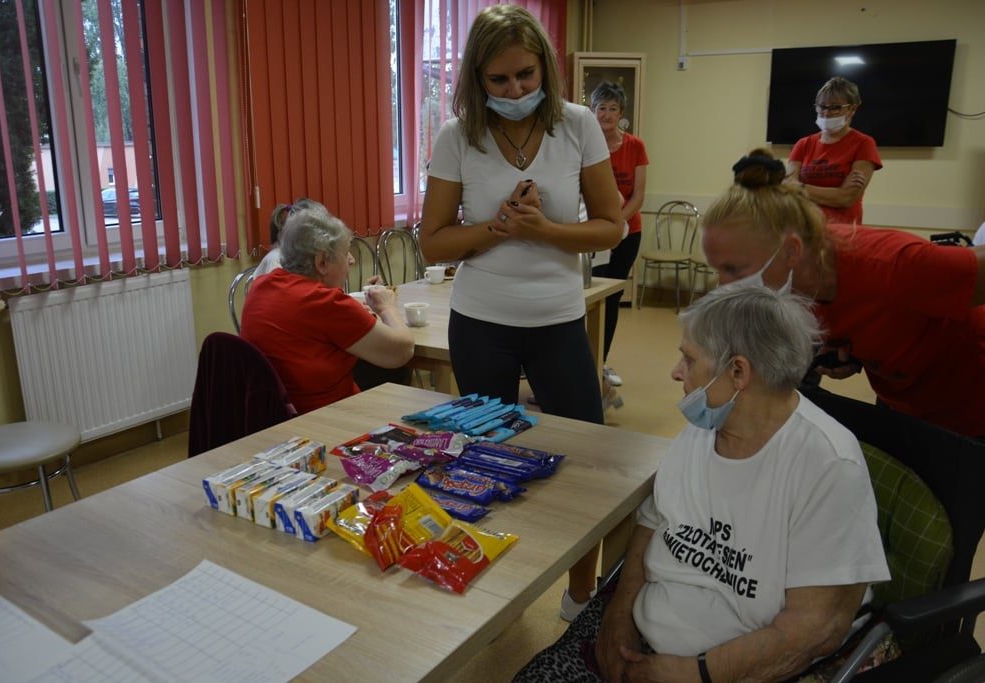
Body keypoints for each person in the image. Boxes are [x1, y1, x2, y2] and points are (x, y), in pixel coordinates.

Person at [515, 285, 890, 682]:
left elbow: (814, 630)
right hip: (647, 637)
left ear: (739, 373)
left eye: (689, 358)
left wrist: (697, 674)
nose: (676, 371)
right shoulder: (703, 429)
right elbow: (652, 522)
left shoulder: (828, 466)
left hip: (739, 669)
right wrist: (619, 615)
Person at [418, 4, 623, 620]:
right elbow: (434, 242)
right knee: (480, 461)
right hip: (481, 323)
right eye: (499, 81)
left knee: (583, 464)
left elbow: (611, 228)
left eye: (526, 76)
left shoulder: (579, 125)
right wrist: (499, 228)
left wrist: (545, 229)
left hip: (558, 321)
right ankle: (490, 596)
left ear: (546, 70)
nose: (514, 91)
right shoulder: (458, 137)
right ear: (476, 79)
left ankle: (580, 592)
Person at [702, 149, 985, 438]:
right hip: (905, 401)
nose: (724, 286)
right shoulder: (790, 289)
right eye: (718, 270)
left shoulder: (893, 264)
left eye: (734, 269)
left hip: (970, 402)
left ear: (791, 251)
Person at [240, 208, 414, 414]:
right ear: (321, 262)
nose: (351, 260)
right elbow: (402, 350)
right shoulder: (325, 302)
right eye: (345, 252)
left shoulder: (261, 285)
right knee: (395, 370)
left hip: (273, 415)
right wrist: (387, 307)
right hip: (326, 416)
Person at [589, 81, 649, 391]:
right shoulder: (586, 144)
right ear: (592, 111)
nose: (606, 114)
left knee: (611, 299)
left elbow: (638, 196)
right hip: (594, 235)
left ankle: (600, 362)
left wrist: (618, 224)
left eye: (613, 108)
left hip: (628, 233)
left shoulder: (635, 146)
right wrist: (607, 227)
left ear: (621, 113)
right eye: (601, 108)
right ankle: (584, 363)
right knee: (590, 299)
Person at [786, 76, 882, 225]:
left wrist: (800, 187)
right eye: (822, 106)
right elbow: (787, 188)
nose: (826, 113)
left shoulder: (864, 143)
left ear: (852, 108)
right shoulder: (803, 144)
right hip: (804, 227)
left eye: (835, 107)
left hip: (844, 232)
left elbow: (846, 198)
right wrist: (835, 192)